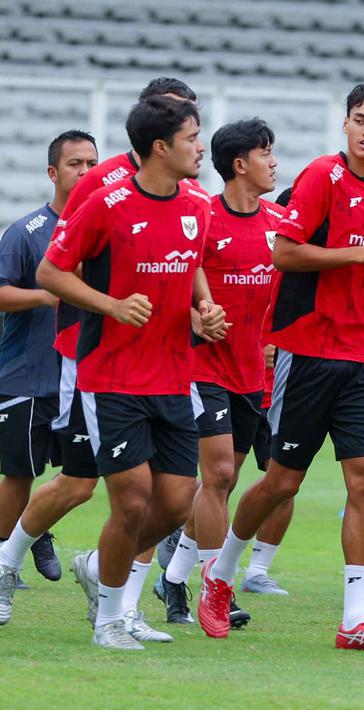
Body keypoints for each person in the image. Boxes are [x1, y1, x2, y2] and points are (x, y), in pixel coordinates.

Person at [205, 81, 364, 651]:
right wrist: (363, 257)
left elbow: (354, 264)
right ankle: (219, 574)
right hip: (309, 350)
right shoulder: (323, 176)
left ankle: (354, 620)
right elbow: (285, 253)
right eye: (359, 119)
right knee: (282, 481)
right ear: (345, 125)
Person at [37, 96, 226, 649]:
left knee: (175, 500)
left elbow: (188, 267)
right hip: (112, 376)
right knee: (134, 498)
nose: (201, 147)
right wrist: (111, 305)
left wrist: (204, 310)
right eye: (193, 137)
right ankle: (109, 620)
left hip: (173, 375)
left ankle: (100, 565)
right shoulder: (107, 202)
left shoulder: (197, 203)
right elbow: (52, 270)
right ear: (161, 148)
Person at [155, 118, 283, 637]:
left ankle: (174, 575)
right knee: (222, 475)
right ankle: (216, 589)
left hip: (253, 372)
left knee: (224, 486)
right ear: (239, 164)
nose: (274, 162)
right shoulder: (201, 215)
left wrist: (281, 337)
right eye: (266, 153)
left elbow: (289, 289)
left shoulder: (279, 220)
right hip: (201, 367)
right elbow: (171, 278)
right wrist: (194, 317)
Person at [0, 130, 98, 617]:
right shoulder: (27, 230)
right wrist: (49, 292)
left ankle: (33, 529)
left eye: (91, 163)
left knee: (80, 478)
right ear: (52, 173)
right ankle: (8, 557)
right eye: (75, 163)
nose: (84, 171)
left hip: (87, 376)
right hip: (28, 373)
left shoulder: (104, 228)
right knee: (19, 471)